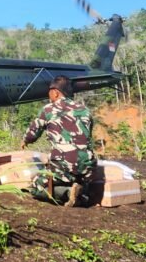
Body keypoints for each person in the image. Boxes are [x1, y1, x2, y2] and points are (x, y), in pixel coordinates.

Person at [22, 75, 96, 207]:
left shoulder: (48, 109)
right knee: (79, 181)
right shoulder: (85, 110)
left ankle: (67, 193)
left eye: (49, 92)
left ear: (55, 92)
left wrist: (25, 141)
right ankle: (80, 191)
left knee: (35, 187)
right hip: (86, 166)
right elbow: (87, 137)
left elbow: (32, 133)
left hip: (62, 165)